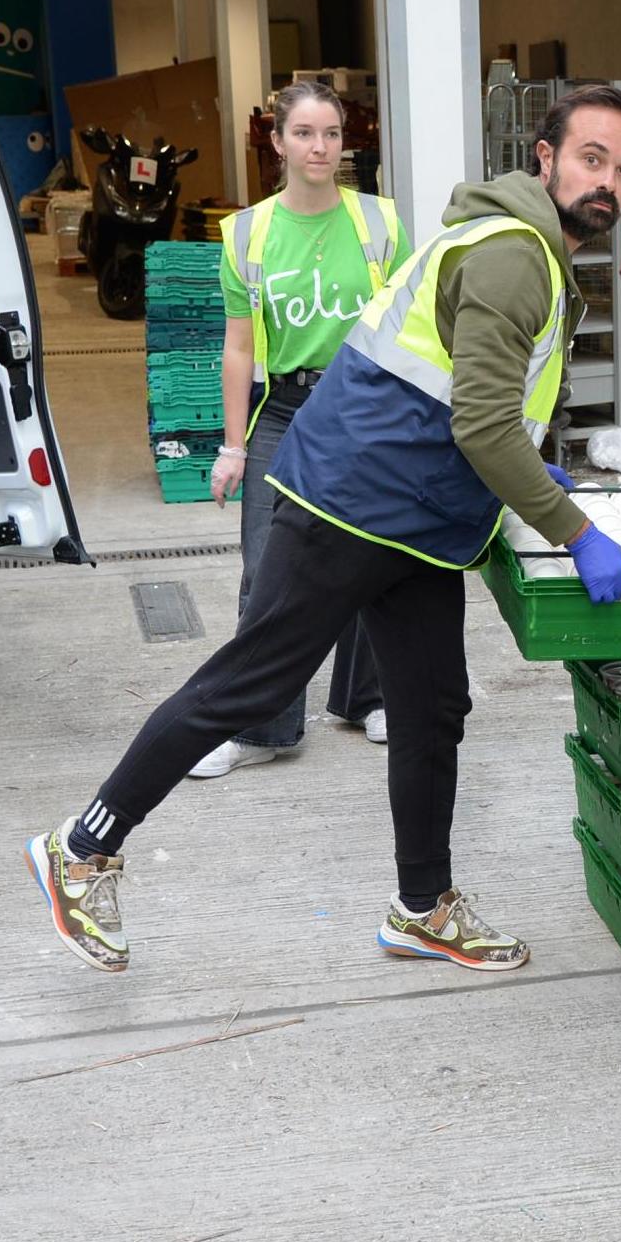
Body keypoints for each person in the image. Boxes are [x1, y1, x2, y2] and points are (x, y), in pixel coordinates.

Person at [26, 85, 621, 976]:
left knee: (431, 708)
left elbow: (474, 404)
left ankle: (422, 907)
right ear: (545, 159)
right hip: (358, 500)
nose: (609, 183)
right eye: (593, 158)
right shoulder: (516, 253)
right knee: (251, 684)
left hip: (418, 514)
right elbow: (479, 422)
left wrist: (524, 467)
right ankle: (80, 849)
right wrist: (573, 527)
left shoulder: (523, 247)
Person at [198, 80, 411, 779]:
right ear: (278, 140)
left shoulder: (379, 221)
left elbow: (407, 327)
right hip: (284, 410)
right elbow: (237, 348)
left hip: (363, 407)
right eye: (305, 134)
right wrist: (232, 448)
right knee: (267, 567)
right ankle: (262, 725)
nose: (320, 147)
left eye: (331, 134)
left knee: (374, 555)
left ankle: (367, 696)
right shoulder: (248, 232)